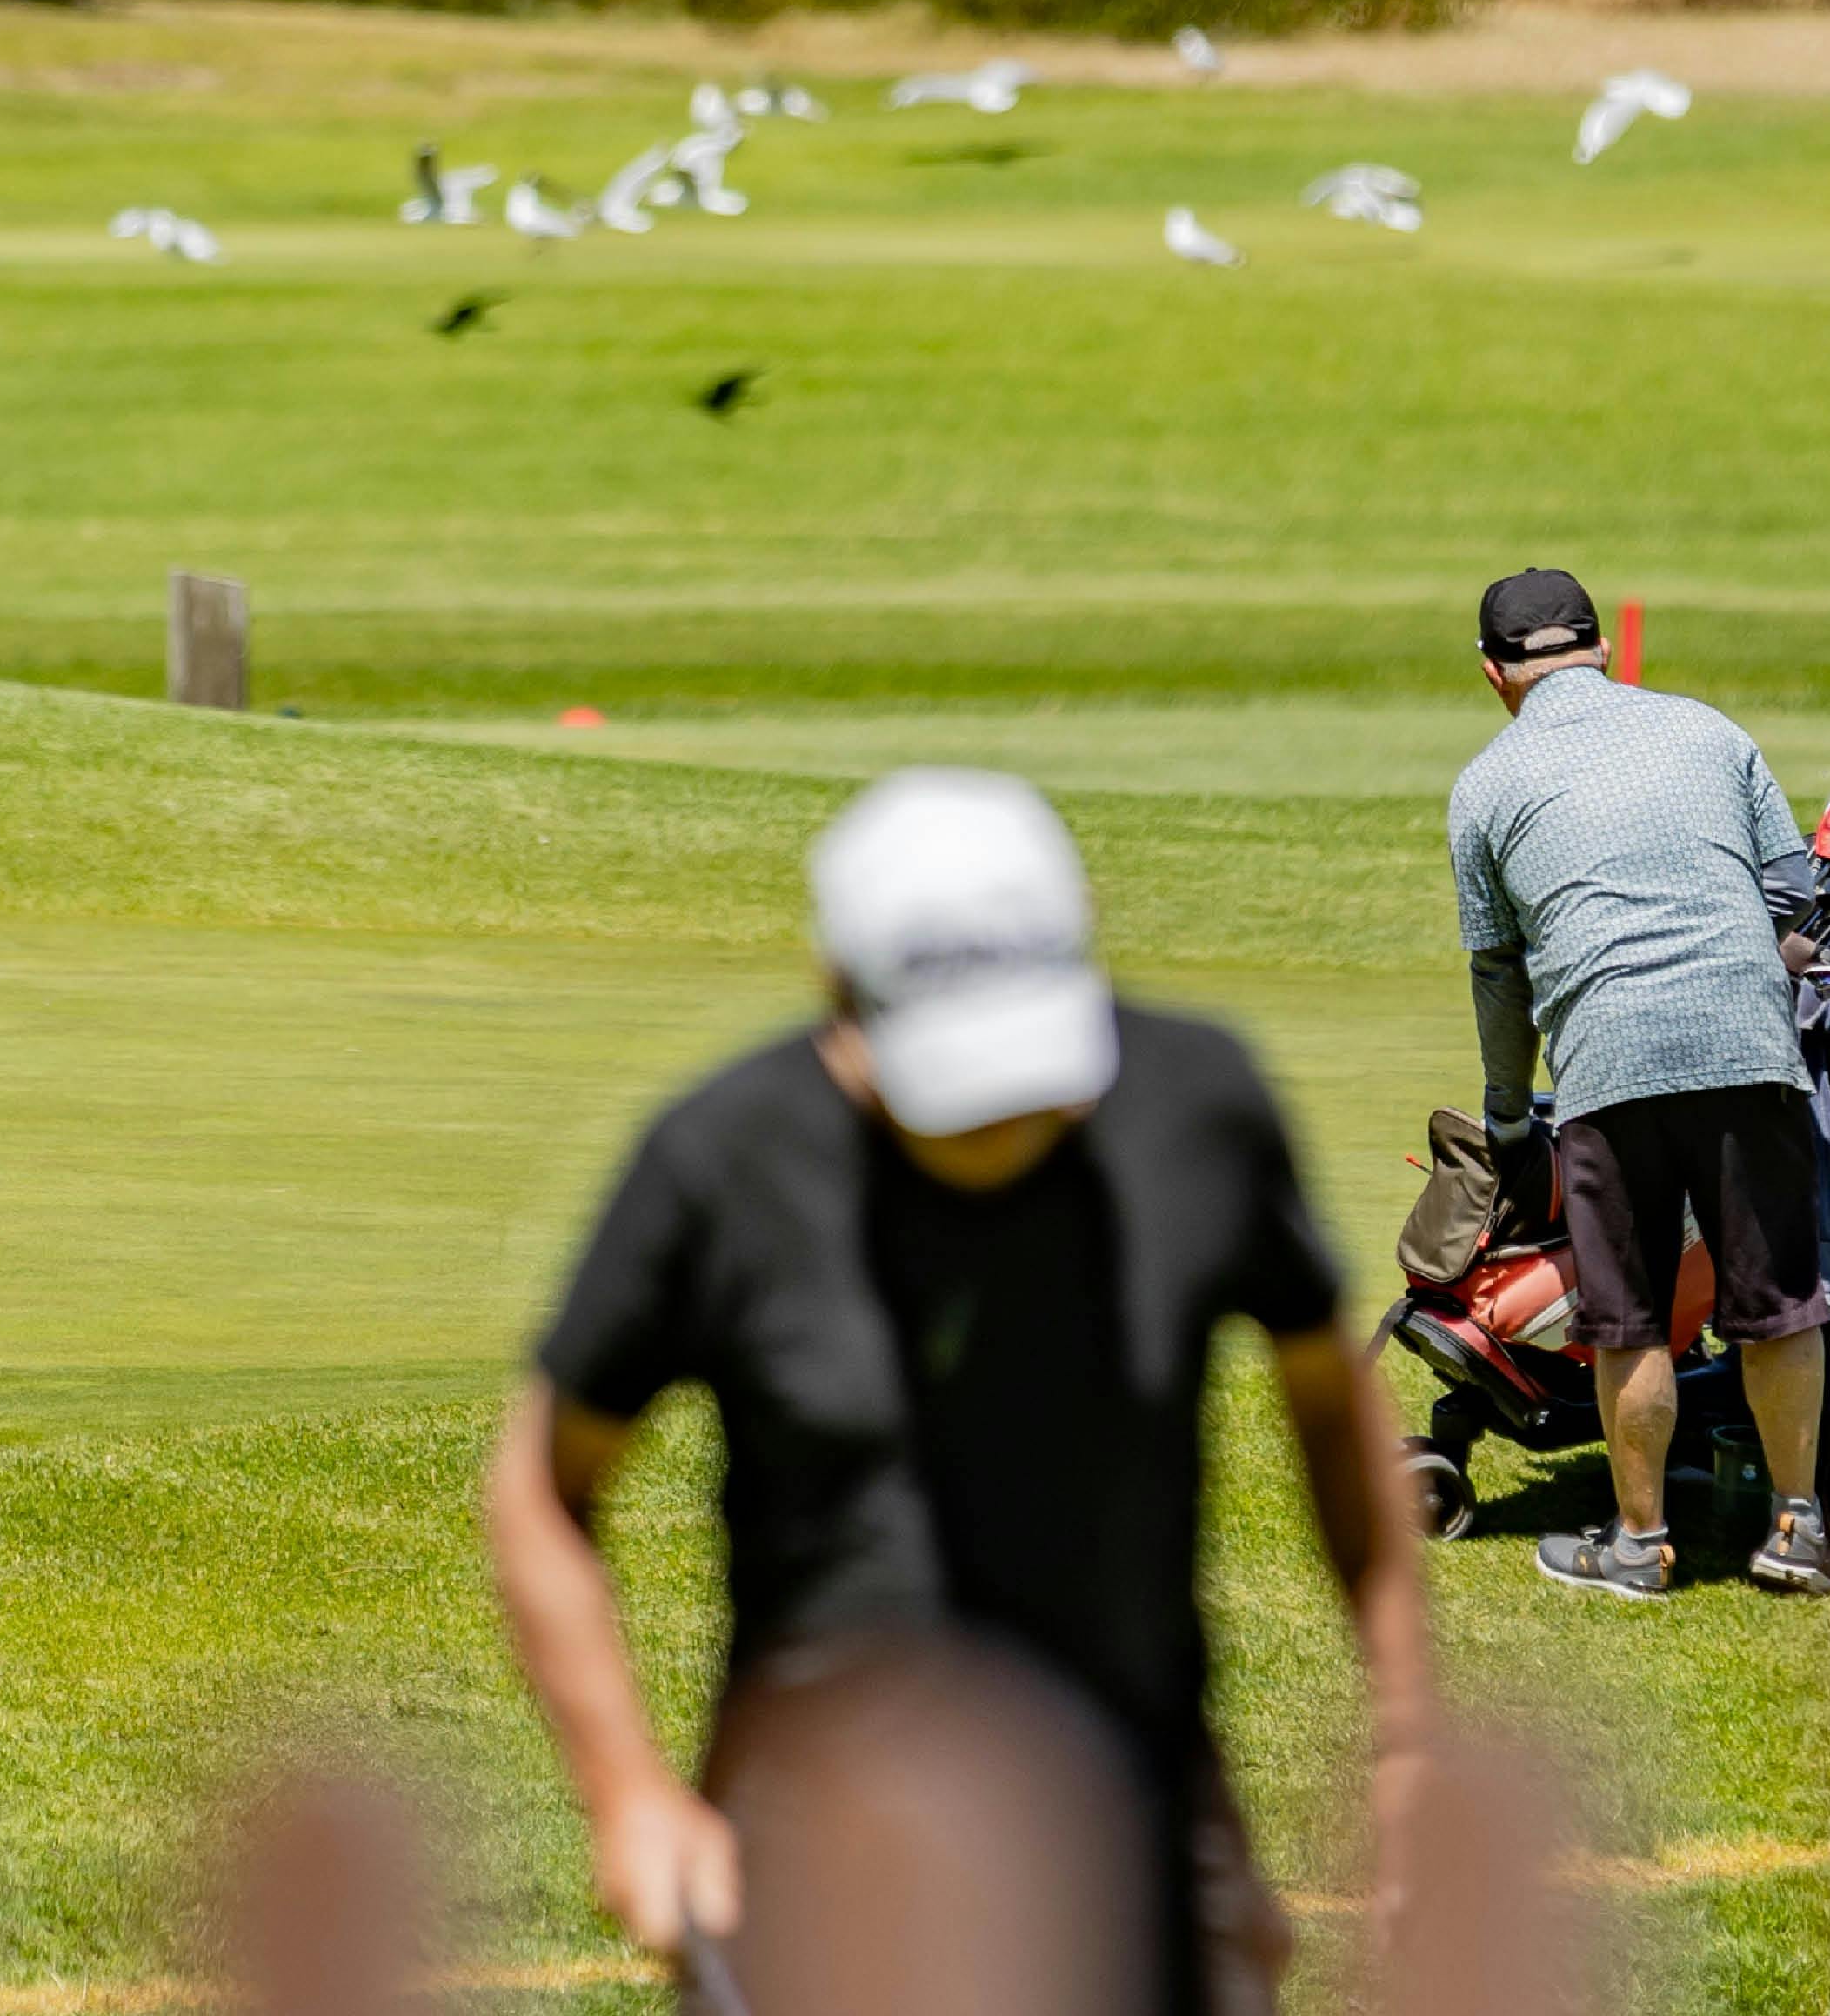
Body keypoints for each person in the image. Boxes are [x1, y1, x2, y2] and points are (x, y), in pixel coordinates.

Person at [481, 771, 1435, 2016]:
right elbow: (537, 1489)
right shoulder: (722, 1165)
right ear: (840, 999)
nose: (1000, 1123)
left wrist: (1411, 1731)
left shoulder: (1195, 1112)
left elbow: (1327, 1397)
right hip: (816, 1849)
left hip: (1138, 1827)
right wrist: (630, 1796)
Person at [1441, 568, 1830, 1605]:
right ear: (1599, 650)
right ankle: (1798, 1530)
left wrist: (1504, 1111)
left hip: (1604, 1065)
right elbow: (1797, 891)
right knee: (1778, 1305)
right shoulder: (1709, 730)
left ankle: (1638, 1542)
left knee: (1626, 1319)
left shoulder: (1484, 785)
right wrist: (1735, 966)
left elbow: (1500, 973)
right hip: (1748, 1044)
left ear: (1495, 673)